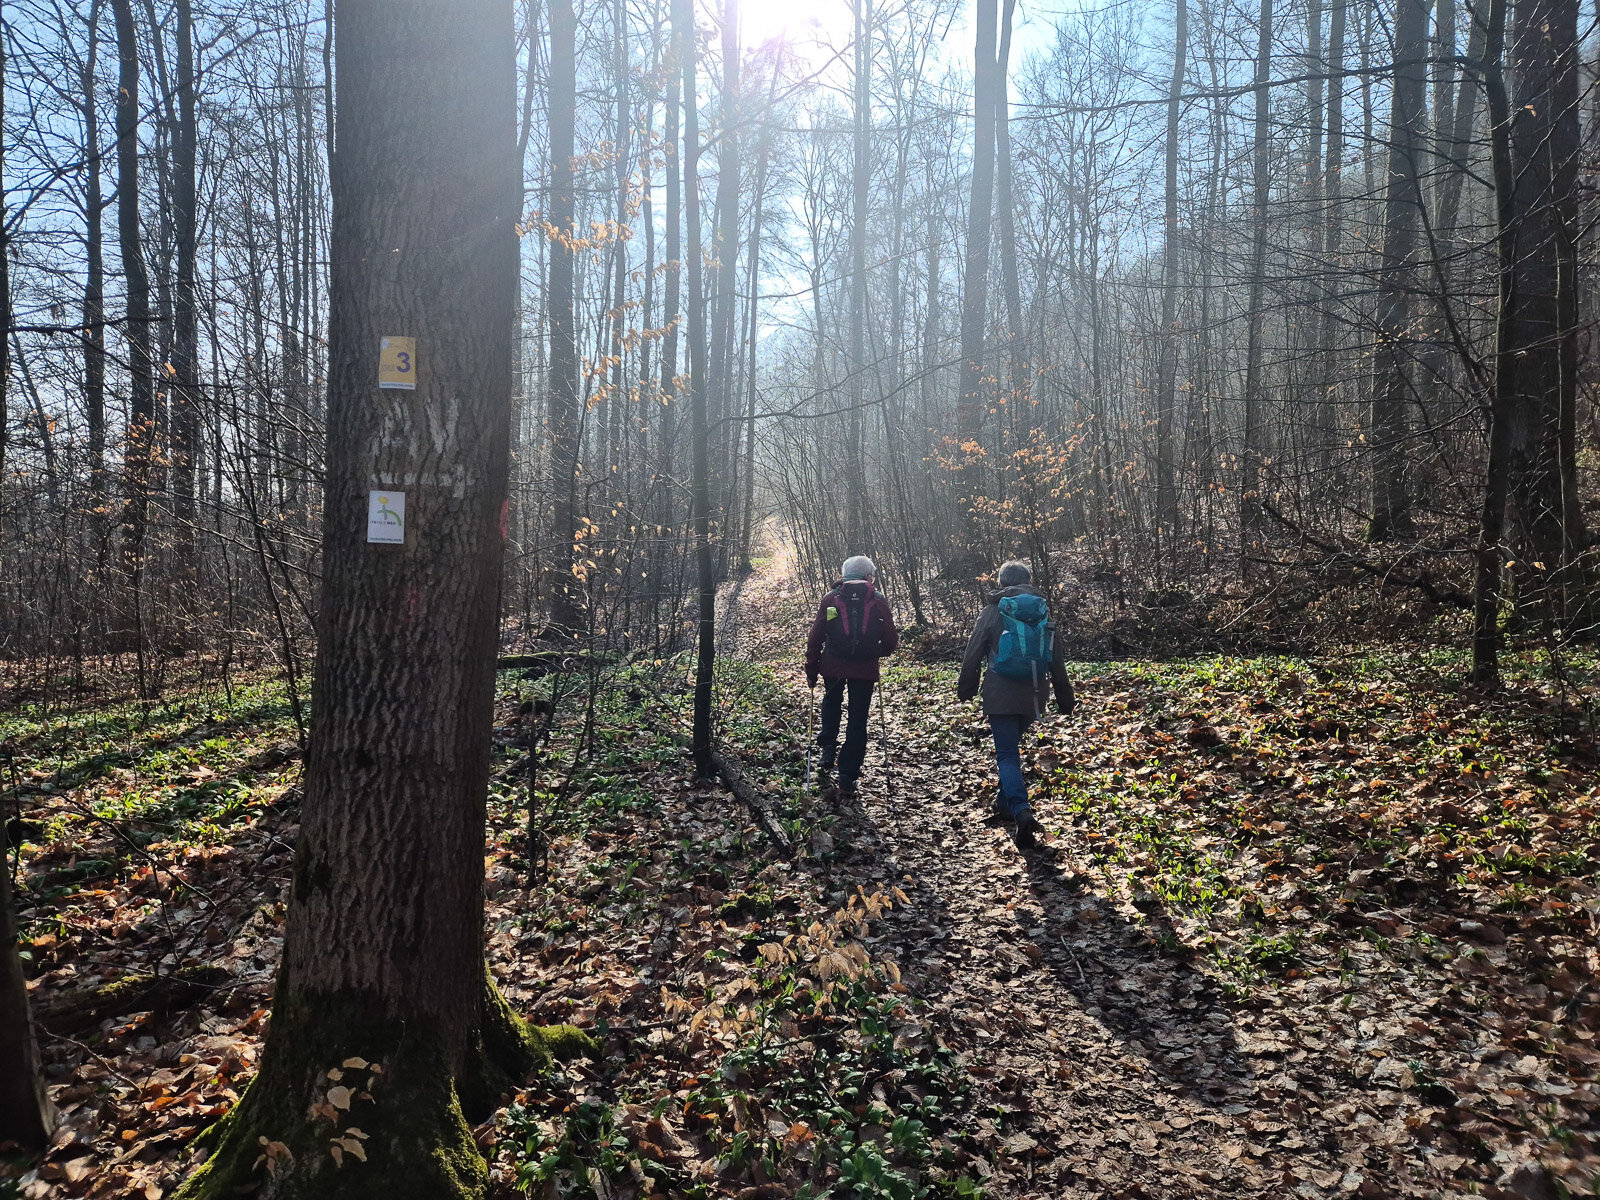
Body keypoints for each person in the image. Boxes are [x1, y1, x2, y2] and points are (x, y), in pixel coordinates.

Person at [957, 559, 1075, 847]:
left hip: (1000, 694)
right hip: (1035, 694)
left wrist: (966, 688)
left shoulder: (991, 612)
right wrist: (1064, 697)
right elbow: (1055, 658)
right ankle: (1005, 804)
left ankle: (1022, 811)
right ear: (1028, 580)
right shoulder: (1042, 611)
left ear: (1000, 582)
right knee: (1011, 751)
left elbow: (973, 653)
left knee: (1007, 755)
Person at [804, 555, 900, 801]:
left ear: (845, 574)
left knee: (831, 701)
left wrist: (812, 670)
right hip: (865, 669)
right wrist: (877, 653)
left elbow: (816, 636)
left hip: (832, 665)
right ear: (868, 576)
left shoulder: (831, 599)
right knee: (858, 719)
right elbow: (891, 639)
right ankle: (848, 774)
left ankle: (827, 747)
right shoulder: (878, 600)